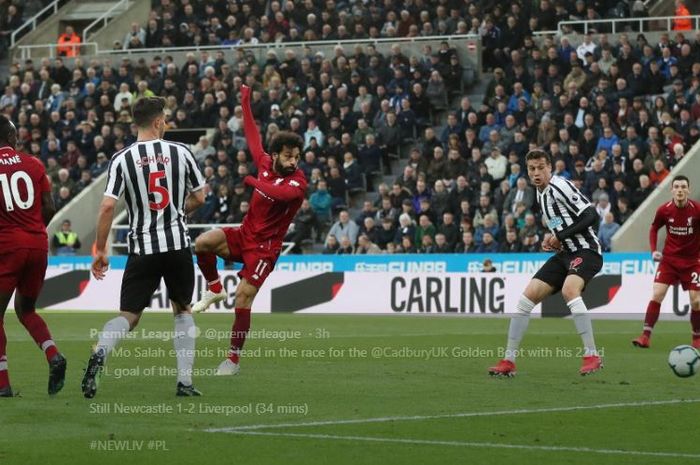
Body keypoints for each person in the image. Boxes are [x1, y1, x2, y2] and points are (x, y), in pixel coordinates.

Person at [82, 97, 206, 398]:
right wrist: (176, 212)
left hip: (142, 247)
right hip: (176, 245)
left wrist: (100, 249)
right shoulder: (181, 152)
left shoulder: (122, 159)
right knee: (182, 309)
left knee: (129, 315)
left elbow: (107, 207)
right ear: (158, 122)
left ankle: (101, 351)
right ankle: (185, 382)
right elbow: (200, 196)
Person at [192, 84, 306, 376]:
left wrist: (253, 182)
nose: (293, 161)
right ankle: (215, 288)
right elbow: (253, 136)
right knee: (203, 243)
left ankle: (232, 360)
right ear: (276, 155)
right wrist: (244, 102)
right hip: (244, 235)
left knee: (243, 296)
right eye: (289, 156)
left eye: (297, 156)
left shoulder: (298, 184)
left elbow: (279, 195)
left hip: (265, 249)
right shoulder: (266, 163)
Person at [489, 150, 603, 377]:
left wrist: (561, 236)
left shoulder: (561, 186)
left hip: (587, 250)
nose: (537, 172)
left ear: (550, 168)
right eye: (532, 169)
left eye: (541, 167)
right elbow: (560, 225)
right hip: (564, 254)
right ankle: (509, 361)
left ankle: (592, 355)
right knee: (525, 299)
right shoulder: (540, 196)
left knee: (570, 291)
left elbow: (591, 215)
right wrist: (554, 240)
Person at [0, 115, 66, 397]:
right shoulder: (35, 164)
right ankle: (53, 354)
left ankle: (2, 384)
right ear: (11, 137)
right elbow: (49, 207)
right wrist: (33, 229)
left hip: (7, 247)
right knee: (26, 310)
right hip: (38, 244)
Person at [632, 175, 700, 349]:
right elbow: (654, 228)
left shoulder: (697, 209)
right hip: (669, 260)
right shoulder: (664, 210)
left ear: (688, 190)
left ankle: (696, 338)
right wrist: (654, 250)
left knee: (696, 300)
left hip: (693, 261)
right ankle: (645, 336)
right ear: (671, 190)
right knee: (657, 293)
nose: (680, 190)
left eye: (683, 187)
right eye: (676, 186)